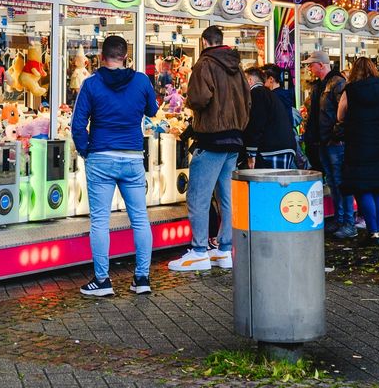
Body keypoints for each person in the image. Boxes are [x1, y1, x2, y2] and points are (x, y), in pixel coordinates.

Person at [70, 35, 158, 297]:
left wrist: (87, 151)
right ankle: (142, 278)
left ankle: (102, 280)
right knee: (140, 219)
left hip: (101, 156)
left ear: (101, 56)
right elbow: (152, 111)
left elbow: (77, 125)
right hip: (132, 156)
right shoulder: (141, 80)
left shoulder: (91, 84)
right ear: (126, 56)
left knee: (100, 221)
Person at [170, 25, 250, 271]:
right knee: (226, 196)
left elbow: (199, 98)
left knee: (198, 196)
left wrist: (188, 98)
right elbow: (248, 100)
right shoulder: (238, 68)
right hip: (234, 139)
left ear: (204, 42)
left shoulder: (204, 64)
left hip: (211, 138)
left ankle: (198, 251)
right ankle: (225, 249)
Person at [336, 57, 379, 244]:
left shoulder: (351, 90)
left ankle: (372, 231)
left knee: (363, 190)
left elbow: (340, 114)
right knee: (378, 189)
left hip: (359, 144)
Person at [303, 50, 354, 239]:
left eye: (311, 64)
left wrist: (337, 132)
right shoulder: (322, 85)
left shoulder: (337, 83)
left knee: (341, 182)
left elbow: (345, 110)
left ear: (321, 65)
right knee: (333, 182)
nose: (309, 68)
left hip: (333, 141)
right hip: (324, 140)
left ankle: (348, 222)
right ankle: (341, 220)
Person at [243, 67, 298, 168]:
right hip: (282, 146)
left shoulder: (257, 93)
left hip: (272, 149)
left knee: (270, 183)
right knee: (278, 182)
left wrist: (251, 152)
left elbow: (256, 123)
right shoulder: (268, 94)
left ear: (249, 80)